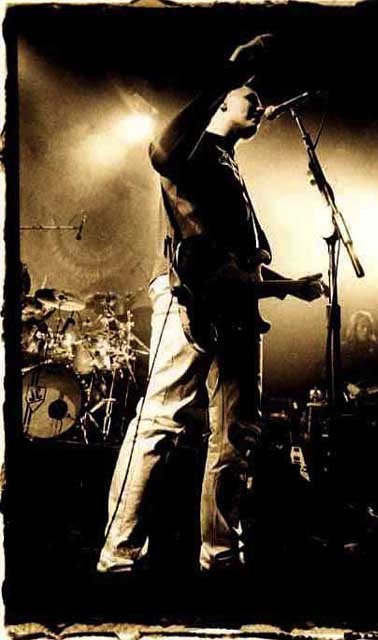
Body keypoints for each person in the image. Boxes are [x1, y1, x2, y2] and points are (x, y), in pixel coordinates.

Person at [97, 34, 324, 576]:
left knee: (237, 433)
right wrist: (231, 72)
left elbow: (236, 261)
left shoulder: (226, 163)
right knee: (160, 422)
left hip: (235, 308)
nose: (261, 106)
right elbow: (161, 152)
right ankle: (117, 555)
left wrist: (289, 284)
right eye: (250, 97)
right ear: (222, 102)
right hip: (189, 302)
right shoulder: (193, 149)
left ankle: (220, 555)